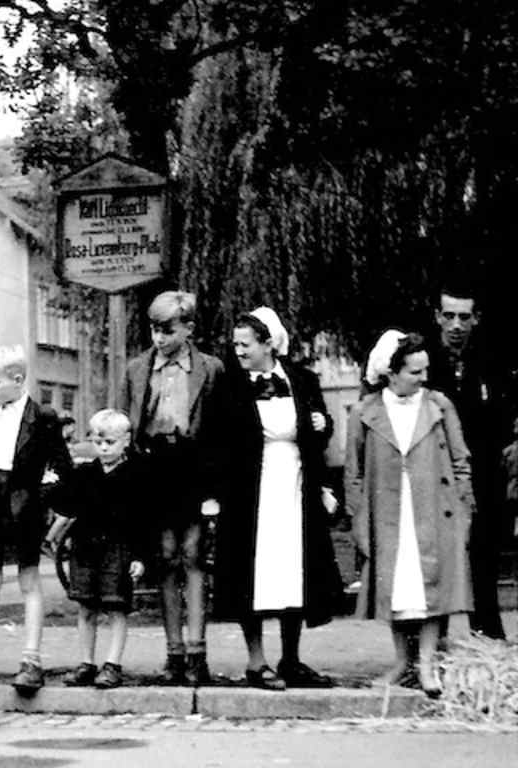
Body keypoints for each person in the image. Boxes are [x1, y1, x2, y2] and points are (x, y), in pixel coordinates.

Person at [213, 309, 344, 691]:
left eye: (246, 344)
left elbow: (317, 426)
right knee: (251, 572)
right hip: (250, 490)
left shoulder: (302, 379)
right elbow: (218, 441)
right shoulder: (229, 385)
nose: (238, 351)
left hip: (296, 482)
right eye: (235, 344)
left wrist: (323, 424)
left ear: (268, 344)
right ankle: (257, 662)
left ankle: (292, 658)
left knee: (295, 568)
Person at [345, 331, 474, 698]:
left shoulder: (438, 406)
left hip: (434, 508)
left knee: (432, 585)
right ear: (392, 373)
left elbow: (461, 460)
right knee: (397, 587)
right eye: (415, 372)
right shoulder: (365, 412)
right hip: (388, 511)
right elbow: (352, 472)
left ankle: (428, 662)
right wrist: (358, 516)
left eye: (425, 370)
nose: (423, 378)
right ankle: (403, 661)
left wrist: (464, 508)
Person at [116, 290, 229, 687]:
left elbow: (220, 432)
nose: (159, 338)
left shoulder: (211, 369)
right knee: (164, 558)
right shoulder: (136, 369)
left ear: (189, 329)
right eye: (154, 329)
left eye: (167, 330)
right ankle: (174, 653)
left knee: (194, 556)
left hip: (194, 467)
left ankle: (198, 653)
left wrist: (216, 487)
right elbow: (125, 422)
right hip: (153, 467)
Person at [0, 344, 72, 691]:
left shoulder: (43, 417)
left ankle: (31, 659)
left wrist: (39, 496)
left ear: (17, 379)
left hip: (23, 501)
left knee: (28, 580)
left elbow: (61, 467)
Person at [425, 287, 512, 641]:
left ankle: (487, 636)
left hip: (484, 474)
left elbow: (505, 417)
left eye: (464, 316)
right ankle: (433, 645)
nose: (456, 325)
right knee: (437, 559)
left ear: (476, 319)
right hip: (436, 474)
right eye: (449, 316)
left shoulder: (492, 362)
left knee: (484, 555)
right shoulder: (425, 363)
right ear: (437, 317)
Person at [46, 410, 148, 689]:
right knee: (86, 607)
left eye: (110, 442)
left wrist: (140, 556)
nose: (103, 448)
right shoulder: (84, 473)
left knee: (117, 607)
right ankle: (86, 662)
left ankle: (112, 664)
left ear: (126, 441)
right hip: (85, 548)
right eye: (98, 442)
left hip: (120, 549)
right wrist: (53, 485)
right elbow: (67, 505)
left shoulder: (135, 475)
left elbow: (142, 520)